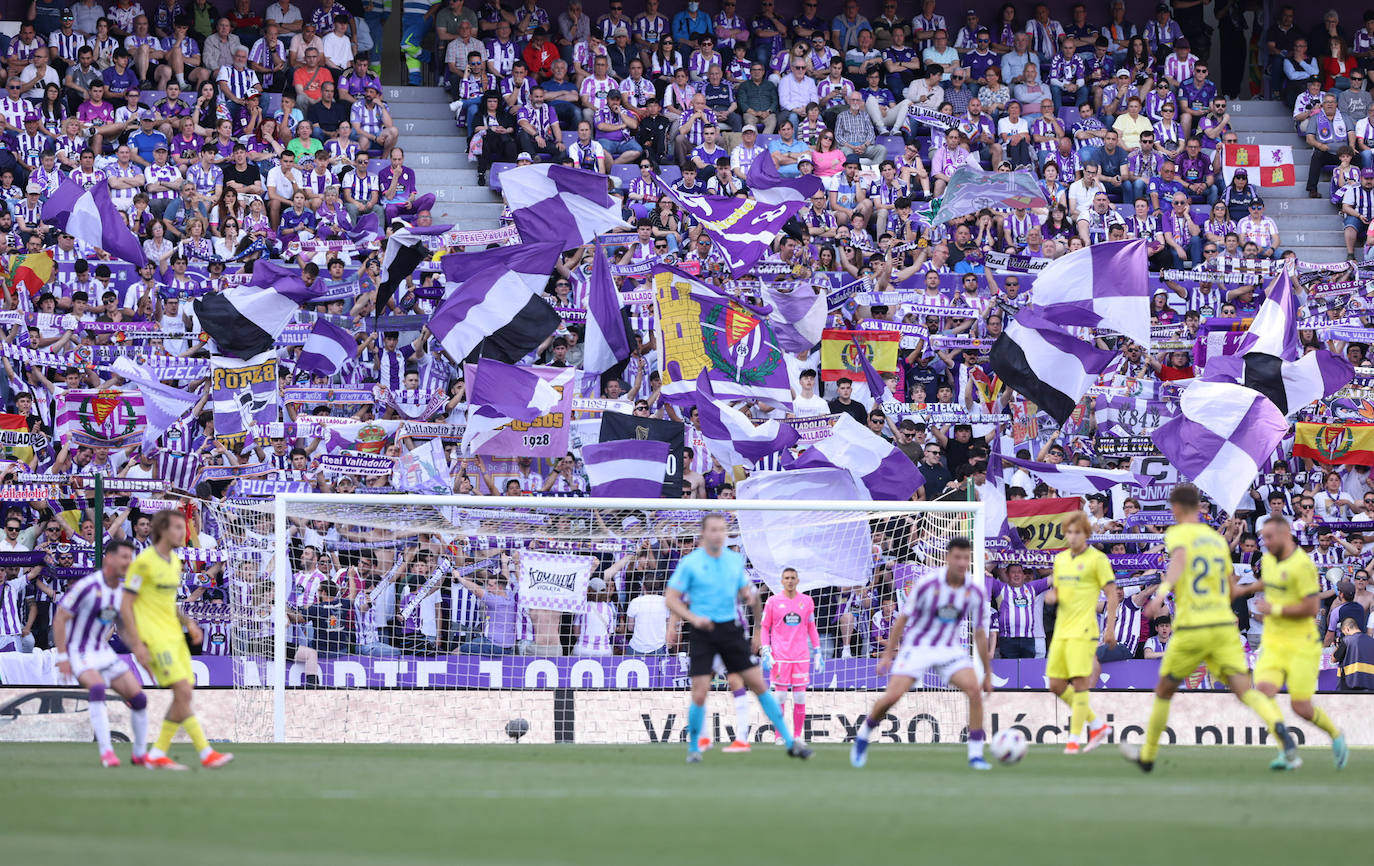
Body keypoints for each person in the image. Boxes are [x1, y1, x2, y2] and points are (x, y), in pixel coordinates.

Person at [1120, 484, 1298, 773]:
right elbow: (1230, 587)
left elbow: (1177, 563)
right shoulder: (1216, 542)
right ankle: (1282, 734)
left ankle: (1148, 755)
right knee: (1243, 690)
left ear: (1176, 508)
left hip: (1193, 626)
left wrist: (1161, 595)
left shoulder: (1179, 534)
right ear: (1198, 506)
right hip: (1224, 626)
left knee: (1165, 690)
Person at [664, 513, 812, 763]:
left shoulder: (733, 560)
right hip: (701, 631)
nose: (718, 534)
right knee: (699, 692)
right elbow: (671, 598)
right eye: (713, 530)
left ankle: (790, 742)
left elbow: (751, 597)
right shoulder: (690, 563)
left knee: (759, 685)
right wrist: (688, 619)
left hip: (730, 630)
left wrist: (756, 630)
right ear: (703, 533)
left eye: (722, 530)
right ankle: (693, 749)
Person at [850, 536, 993, 771]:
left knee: (974, 691)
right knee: (892, 697)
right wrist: (887, 655)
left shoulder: (974, 590)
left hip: (949, 649)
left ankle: (976, 755)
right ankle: (864, 735)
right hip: (918, 647)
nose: (961, 562)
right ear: (947, 558)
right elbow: (902, 618)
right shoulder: (929, 584)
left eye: (965, 558)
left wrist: (987, 672)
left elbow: (979, 633)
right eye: (957, 557)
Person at [119, 509, 234, 770]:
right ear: (163, 531)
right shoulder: (144, 562)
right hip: (154, 639)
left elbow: (169, 603)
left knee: (184, 694)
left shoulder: (172, 562)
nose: (185, 532)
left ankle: (160, 753)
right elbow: (126, 604)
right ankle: (204, 753)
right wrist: (136, 644)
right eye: (179, 528)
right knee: (182, 691)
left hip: (174, 636)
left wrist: (189, 623)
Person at [1251, 518, 1348, 769]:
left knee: (1301, 707)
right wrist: (1241, 591)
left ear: (1285, 535)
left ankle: (1336, 736)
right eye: (1263, 537)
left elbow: (1311, 607)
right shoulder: (1269, 560)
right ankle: (1288, 751)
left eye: (1269, 537)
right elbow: (1271, 583)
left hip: (1301, 645)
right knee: (1262, 692)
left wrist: (1275, 608)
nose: (1265, 542)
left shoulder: (1303, 565)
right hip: (1273, 643)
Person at [53, 539, 150, 768]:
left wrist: (139, 650)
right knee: (97, 688)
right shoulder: (87, 585)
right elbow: (60, 617)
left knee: (139, 699)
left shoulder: (121, 591)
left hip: (102, 651)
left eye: (130, 558)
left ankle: (139, 754)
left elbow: (122, 626)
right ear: (109, 558)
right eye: (124, 557)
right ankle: (107, 752)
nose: (128, 562)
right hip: (79, 651)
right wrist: (62, 656)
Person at [1043, 512, 1116, 754]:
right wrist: (1053, 595)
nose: (1072, 537)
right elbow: (1059, 590)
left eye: (1077, 532)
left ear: (1086, 534)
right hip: (1062, 631)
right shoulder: (1061, 560)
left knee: (1080, 683)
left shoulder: (1097, 560)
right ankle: (1097, 725)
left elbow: (1113, 594)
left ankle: (1074, 740)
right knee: (1055, 684)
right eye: (1069, 532)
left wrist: (1110, 628)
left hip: (1084, 630)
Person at [757, 567, 822, 747]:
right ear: (782, 581)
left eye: (793, 577)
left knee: (800, 698)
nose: (790, 580)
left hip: (801, 657)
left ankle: (797, 735)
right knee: (780, 698)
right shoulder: (772, 602)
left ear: (798, 580)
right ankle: (779, 736)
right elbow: (764, 627)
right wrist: (767, 651)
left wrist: (818, 651)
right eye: (787, 578)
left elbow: (811, 627)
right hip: (780, 657)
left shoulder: (807, 601)